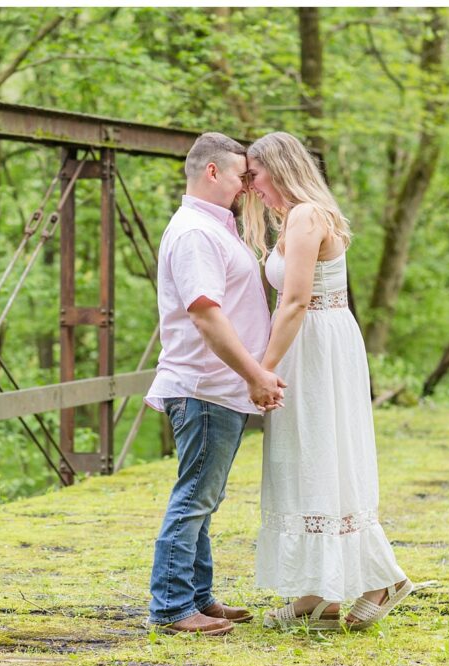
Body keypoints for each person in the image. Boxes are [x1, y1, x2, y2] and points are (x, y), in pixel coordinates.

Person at [243, 131, 411, 631]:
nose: (251, 185)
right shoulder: (292, 217)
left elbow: (294, 302)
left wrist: (262, 371)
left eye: (256, 174)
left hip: (314, 346)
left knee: (323, 453)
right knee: (304, 457)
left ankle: (383, 578)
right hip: (308, 341)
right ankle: (317, 593)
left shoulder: (306, 215)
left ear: (279, 167)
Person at [144, 132, 286, 636]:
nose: (248, 186)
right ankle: (172, 607)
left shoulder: (213, 229)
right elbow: (206, 315)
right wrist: (256, 374)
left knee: (205, 496)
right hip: (206, 385)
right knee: (194, 498)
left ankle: (198, 596)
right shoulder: (194, 234)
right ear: (211, 172)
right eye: (241, 175)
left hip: (218, 387)